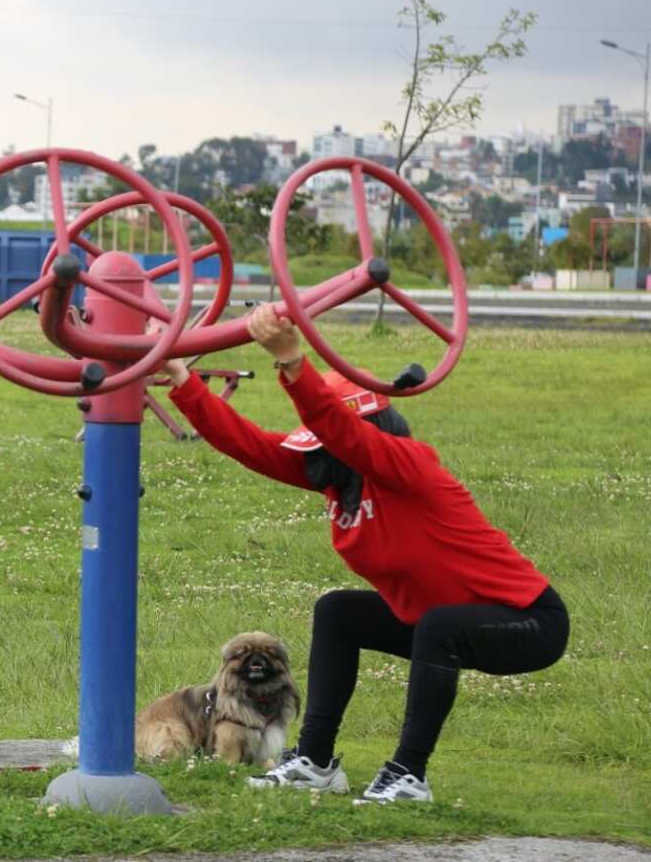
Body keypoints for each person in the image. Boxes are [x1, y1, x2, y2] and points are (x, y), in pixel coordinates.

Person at [157, 304, 568, 805]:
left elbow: (344, 433)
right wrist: (182, 379)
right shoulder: (340, 482)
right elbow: (251, 445)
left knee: (440, 628)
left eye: (323, 443)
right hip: (438, 620)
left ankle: (408, 776)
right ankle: (315, 762)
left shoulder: (408, 467)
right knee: (338, 612)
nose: (311, 455)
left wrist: (291, 362)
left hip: (528, 623)